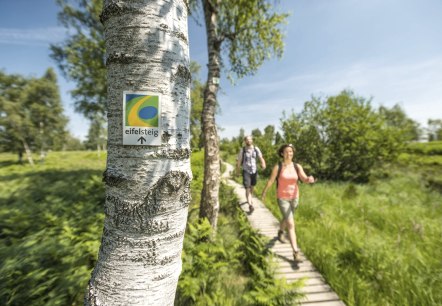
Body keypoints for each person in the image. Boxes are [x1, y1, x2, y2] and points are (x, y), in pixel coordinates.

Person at [261, 143, 315, 261]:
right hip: (282, 198)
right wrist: (264, 192)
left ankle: (280, 231)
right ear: (282, 153)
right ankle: (295, 252)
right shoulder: (278, 166)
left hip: (295, 197)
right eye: (286, 151)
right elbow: (271, 181)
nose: (289, 153)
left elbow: (303, 178)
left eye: (290, 151)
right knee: (291, 223)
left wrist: (309, 179)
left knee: (286, 219)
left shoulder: (297, 166)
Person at [236, 135, 266, 213]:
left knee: (252, 187)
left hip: (254, 171)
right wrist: (238, 171)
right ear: (245, 141)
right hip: (246, 171)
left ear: (252, 140)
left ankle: (249, 198)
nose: (248, 141)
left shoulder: (256, 149)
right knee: (247, 188)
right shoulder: (242, 150)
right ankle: (250, 205)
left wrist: (263, 164)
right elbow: (239, 162)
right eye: (247, 140)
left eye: (250, 140)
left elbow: (261, 157)